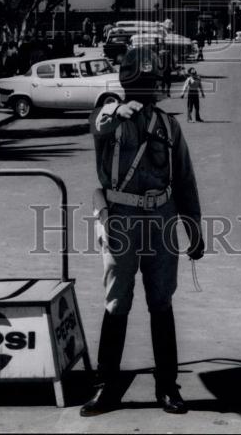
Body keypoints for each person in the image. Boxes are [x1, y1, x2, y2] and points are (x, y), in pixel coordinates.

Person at [81, 43, 204, 417]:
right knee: (117, 301)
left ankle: (167, 387)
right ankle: (105, 387)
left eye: (152, 83)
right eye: (141, 83)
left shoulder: (168, 125)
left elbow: (184, 179)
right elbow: (98, 120)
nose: (148, 90)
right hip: (121, 219)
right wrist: (116, 109)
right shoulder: (110, 117)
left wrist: (193, 227)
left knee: (161, 301)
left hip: (162, 219)